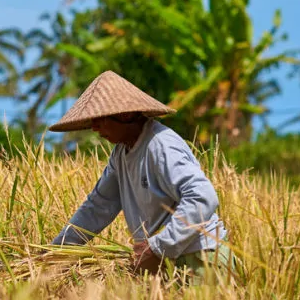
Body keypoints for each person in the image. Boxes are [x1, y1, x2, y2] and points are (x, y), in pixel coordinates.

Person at [48, 70, 234, 280]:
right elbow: (98, 205)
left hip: (200, 260)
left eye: (99, 118)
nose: (94, 127)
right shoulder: (120, 154)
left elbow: (203, 197)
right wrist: (57, 251)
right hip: (168, 262)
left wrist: (158, 247)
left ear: (125, 115)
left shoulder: (160, 145)